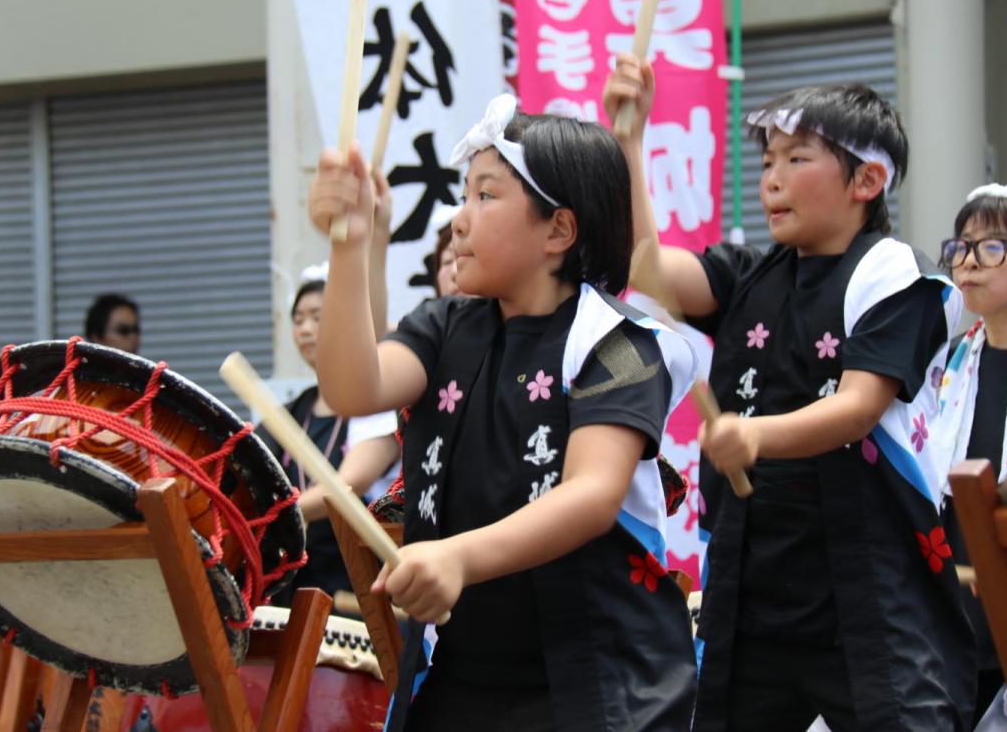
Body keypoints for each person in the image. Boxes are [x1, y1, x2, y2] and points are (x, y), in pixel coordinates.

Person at [604, 55, 975, 730]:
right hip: (753, 578)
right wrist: (631, 138)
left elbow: (859, 405)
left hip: (868, 580)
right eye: (768, 159)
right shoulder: (751, 274)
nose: (770, 178)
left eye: (795, 158)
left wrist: (753, 434)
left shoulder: (896, 274)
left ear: (868, 179)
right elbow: (647, 270)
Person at [309, 93, 699, 731]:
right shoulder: (442, 327)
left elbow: (593, 494)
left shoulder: (621, 345)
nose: (460, 220)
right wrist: (349, 245)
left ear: (558, 231)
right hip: (463, 676)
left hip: (601, 682)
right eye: (465, 195)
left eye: (486, 197)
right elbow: (355, 388)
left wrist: (458, 557)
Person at [933, 182, 1007, 725]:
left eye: (992, 247)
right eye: (962, 247)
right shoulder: (949, 364)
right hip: (955, 616)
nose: (968, 262)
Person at [258, 276, 400, 609]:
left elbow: (348, 485)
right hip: (297, 589)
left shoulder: (375, 404)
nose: (306, 328)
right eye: (298, 319)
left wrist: (275, 515)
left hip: (359, 591)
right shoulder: (289, 414)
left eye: (318, 317)